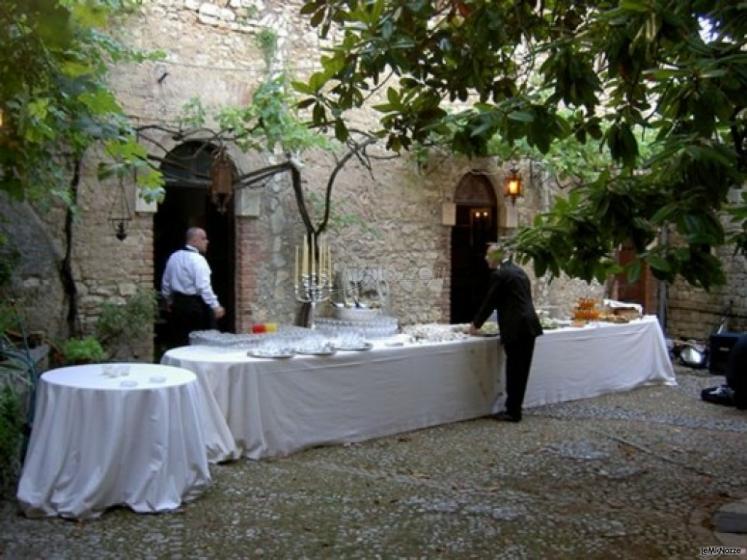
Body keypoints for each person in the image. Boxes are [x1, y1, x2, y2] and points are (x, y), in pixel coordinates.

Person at [469, 243, 543, 422]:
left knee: (515, 369)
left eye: (488, 255)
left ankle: (512, 412)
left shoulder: (501, 274)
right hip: (530, 326)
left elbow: (490, 301)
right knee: (521, 370)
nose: (486, 259)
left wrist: (475, 325)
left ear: (496, 256)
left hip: (517, 328)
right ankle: (515, 408)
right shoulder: (519, 271)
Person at [161, 227, 225, 347]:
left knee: (180, 341)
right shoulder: (198, 260)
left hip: (178, 305)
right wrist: (215, 306)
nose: (207, 241)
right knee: (200, 343)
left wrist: (168, 301)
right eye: (204, 238)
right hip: (195, 307)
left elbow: (166, 283)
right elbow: (203, 287)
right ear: (194, 240)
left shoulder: (173, 257)